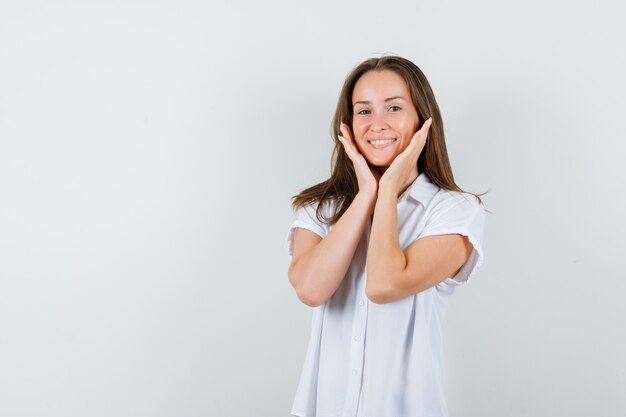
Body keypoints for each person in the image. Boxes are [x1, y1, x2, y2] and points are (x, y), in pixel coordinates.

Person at [286, 55, 486, 417]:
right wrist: (366, 195)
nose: (377, 124)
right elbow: (311, 290)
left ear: (423, 121)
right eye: (364, 111)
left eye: (394, 108)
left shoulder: (454, 211)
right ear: (347, 125)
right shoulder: (319, 209)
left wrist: (389, 187)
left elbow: (383, 284)